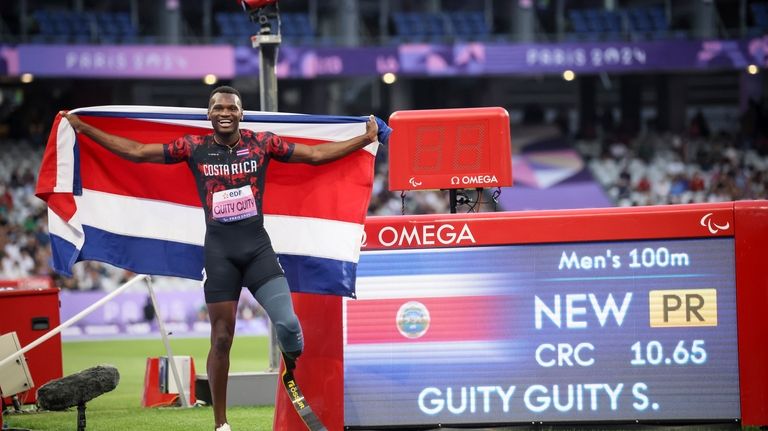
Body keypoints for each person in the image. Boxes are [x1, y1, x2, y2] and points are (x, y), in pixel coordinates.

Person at [61, 85, 379, 431]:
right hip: (219, 254)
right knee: (222, 337)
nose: (225, 112)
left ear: (241, 114)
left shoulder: (263, 144)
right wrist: (85, 128)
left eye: (231, 107)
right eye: (218, 108)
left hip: (257, 250)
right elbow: (138, 151)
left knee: (288, 325)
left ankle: (291, 363)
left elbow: (315, 156)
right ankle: (221, 424)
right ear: (208, 115)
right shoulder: (194, 148)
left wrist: (364, 139)